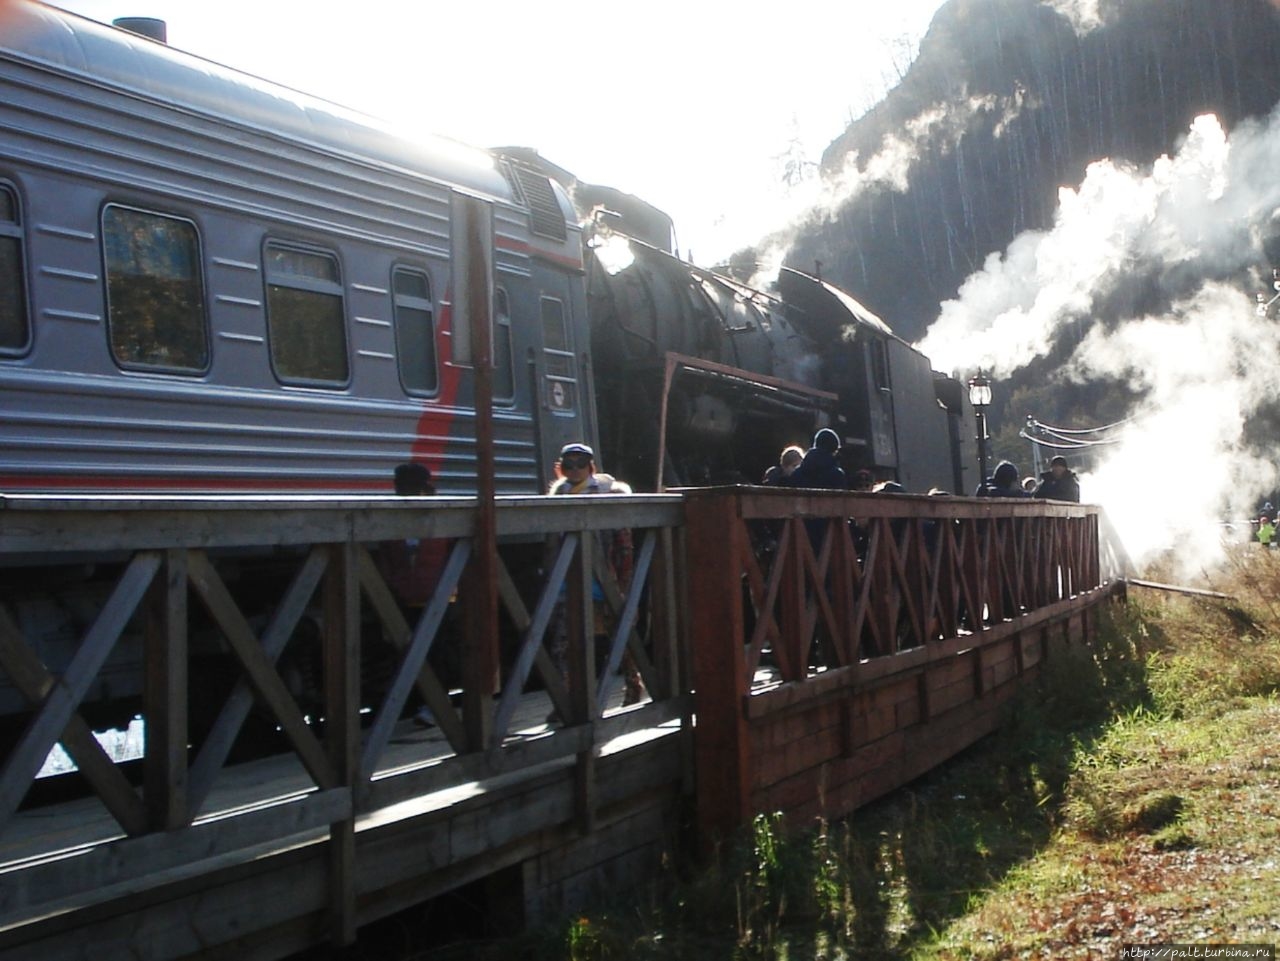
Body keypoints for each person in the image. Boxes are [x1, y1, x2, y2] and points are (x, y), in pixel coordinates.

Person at [547, 443, 642, 707]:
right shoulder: (558, 494)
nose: (575, 469)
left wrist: (623, 582)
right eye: (569, 464)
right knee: (564, 645)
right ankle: (567, 703)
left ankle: (633, 686)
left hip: (604, 580)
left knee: (620, 641)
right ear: (561, 468)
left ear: (591, 467)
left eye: (580, 464)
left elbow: (623, 543)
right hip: (570, 581)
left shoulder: (609, 493)